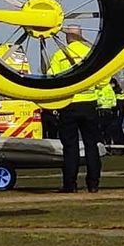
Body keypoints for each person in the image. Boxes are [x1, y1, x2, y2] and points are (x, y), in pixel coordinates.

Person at [52, 24, 105, 192]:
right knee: (91, 145)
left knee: (70, 147)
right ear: (81, 37)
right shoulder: (92, 55)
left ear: (67, 38)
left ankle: (70, 184)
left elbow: (53, 79)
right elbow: (103, 80)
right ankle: (93, 184)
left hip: (68, 104)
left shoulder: (59, 55)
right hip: (89, 104)